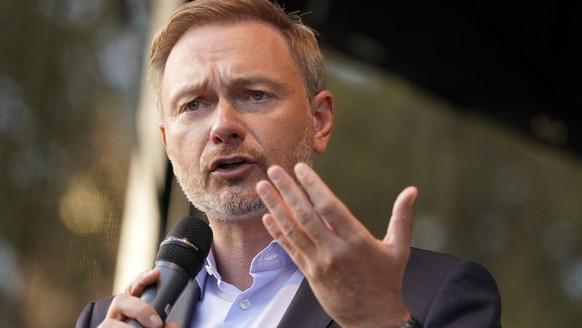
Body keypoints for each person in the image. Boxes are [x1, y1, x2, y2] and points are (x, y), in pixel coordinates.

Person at [76, 0, 502, 327]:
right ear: (167, 143)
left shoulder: (435, 294)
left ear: (319, 122)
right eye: (193, 104)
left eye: (255, 94)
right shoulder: (106, 319)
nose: (223, 126)